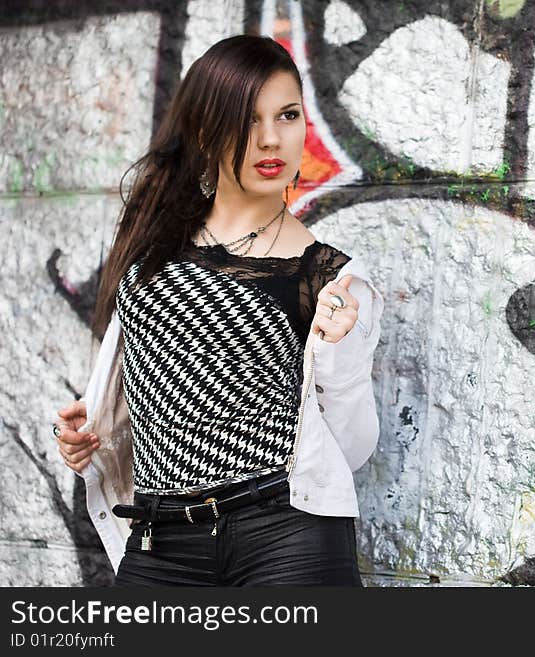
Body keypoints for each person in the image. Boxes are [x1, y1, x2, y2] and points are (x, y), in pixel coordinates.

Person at [50, 35, 383, 586]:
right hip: (159, 544)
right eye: (247, 119)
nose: (271, 138)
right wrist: (92, 427)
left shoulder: (332, 277)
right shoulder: (152, 248)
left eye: (288, 115)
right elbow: (164, 384)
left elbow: (351, 450)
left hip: (287, 542)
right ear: (205, 129)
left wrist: (339, 360)